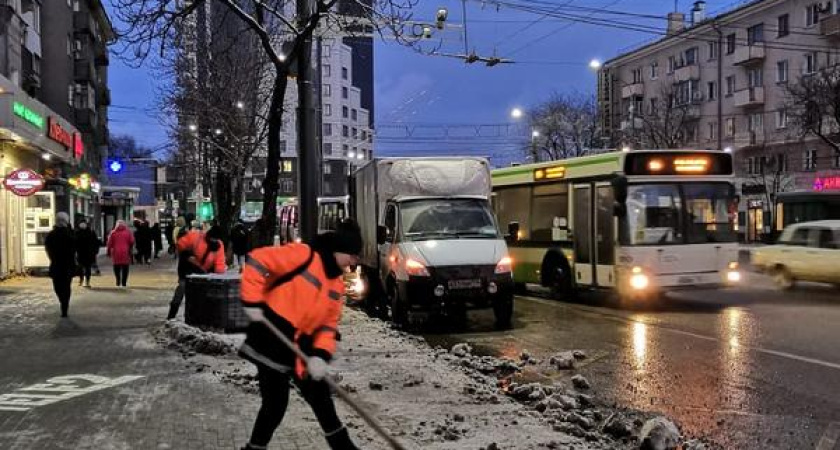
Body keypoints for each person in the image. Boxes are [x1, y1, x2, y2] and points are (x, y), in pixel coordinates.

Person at [238, 220, 363, 450]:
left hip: (302, 348)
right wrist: (252, 300)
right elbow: (257, 259)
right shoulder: (304, 255)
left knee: (322, 399)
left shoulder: (335, 285)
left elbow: (327, 327)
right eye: (353, 256)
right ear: (339, 250)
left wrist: (320, 355)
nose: (354, 262)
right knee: (275, 404)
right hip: (272, 338)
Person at [167, 227, 226, 320]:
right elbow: (180, 244)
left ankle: (193, 318)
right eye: (211, 238)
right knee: (182, 289)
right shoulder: (196, 236)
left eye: (215, 239)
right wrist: (188, 255)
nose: (212, 240)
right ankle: (171, 316)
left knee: (198, 296)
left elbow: (220, 263)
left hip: (203, 272)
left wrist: (218, 277)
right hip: (187, 268)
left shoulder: (219, 246)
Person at [45, 212, 76, 318]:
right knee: (66, 286)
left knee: (58, 286)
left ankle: (63, 304)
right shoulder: (69, 234)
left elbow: (48, 249)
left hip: (57, 264)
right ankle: (64, 303)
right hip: (67, 265)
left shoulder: (52, 235)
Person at [107, 220, 135, 287]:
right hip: (125, 252)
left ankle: (118, 281)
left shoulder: (113, 233)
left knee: (116, 267)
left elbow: (109, 243)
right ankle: (124, 283)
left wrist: (108, 251)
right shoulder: (128, 232)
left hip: (116, 252)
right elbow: (132, 241)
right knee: (125, 268)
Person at [75, 219, 100, 288]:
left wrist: (95, 251)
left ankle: (87, 281)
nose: (82, 225)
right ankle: (81, 279)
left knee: (87, 268)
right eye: (81, 223)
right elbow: (74, 243)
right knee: (80, 268)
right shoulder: (77, 232)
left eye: (84, 223)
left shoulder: (91, 232)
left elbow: (96, 242)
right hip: (80, 253)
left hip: (89, 253)